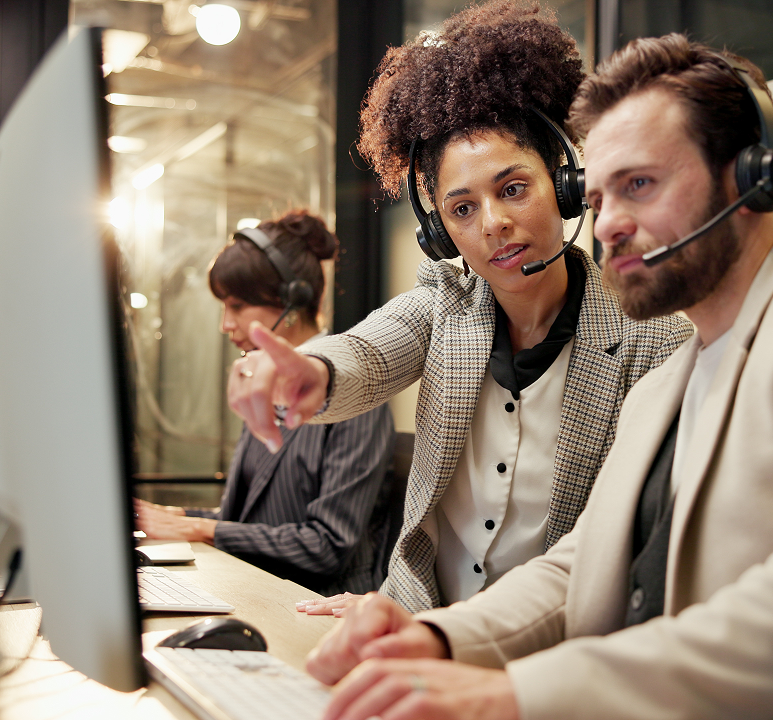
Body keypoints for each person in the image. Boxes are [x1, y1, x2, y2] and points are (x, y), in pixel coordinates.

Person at [303, 36, 773, 720]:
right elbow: (578, 569)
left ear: (751, 175)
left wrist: (517, 694)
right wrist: (433, 637)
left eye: (640, 185)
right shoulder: (671, 382)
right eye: (597, 199)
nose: (606, 226)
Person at [229, 1, 693, 615]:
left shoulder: (655, 340)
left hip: (552, 650)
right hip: (412, 616)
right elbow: (365, 352)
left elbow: (629, 555)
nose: (494, 223)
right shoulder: (445, 307)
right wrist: (309, 371)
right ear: (441, 233)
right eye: (462, 209)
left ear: (563, 186)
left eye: (513, 189)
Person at [134, 210, 396, 596]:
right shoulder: (264, 387)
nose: (225, 324)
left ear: (291, 303)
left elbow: (326, 546)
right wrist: (169, 516)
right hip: (256, 588)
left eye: (237, 306)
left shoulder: (355, 398)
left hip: (316, 607)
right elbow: (246, 522)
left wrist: (197, 527)